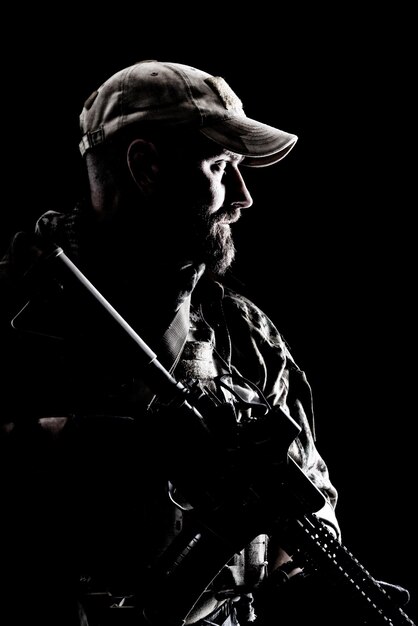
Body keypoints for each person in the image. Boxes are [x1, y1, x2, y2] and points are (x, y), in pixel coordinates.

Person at [0, 60, 411, 626]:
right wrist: (133, 448)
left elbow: (307, 510)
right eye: (221, 166)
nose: (243, 197)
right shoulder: (24, 315)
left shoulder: (244, 334)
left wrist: (309, 575)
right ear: (144, 165)